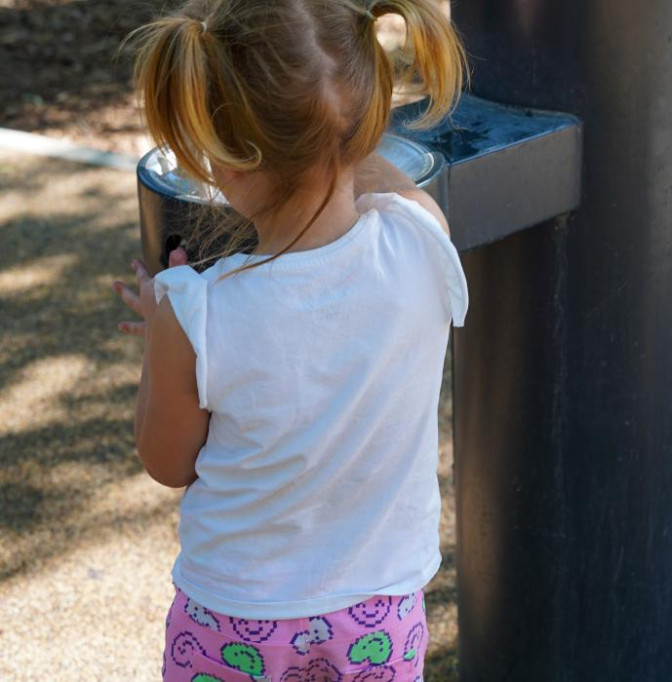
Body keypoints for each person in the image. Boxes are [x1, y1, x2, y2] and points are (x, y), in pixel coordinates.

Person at [111, 1, 467, 680]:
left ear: (228, 160)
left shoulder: (194, 313)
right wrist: (328, 132)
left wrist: (159, 338)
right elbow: (369, 171)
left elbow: (167, 462)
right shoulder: (423, 240)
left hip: (236, 619)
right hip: (380, 612)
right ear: (364, 123)